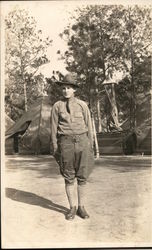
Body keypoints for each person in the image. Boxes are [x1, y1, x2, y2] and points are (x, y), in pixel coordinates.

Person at [51, 73, 94, 220]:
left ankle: (81, 208)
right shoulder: (57, 106)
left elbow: (89, 126)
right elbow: (53, 128)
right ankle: (72, 208)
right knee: (69, 176)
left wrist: (91, 145)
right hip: (66, 143)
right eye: (63, 88)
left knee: (82, 177)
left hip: (83, 142)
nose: (66, 91)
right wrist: (56, 147)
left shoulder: (83, 105)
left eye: (69, 88)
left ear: (74, 89)